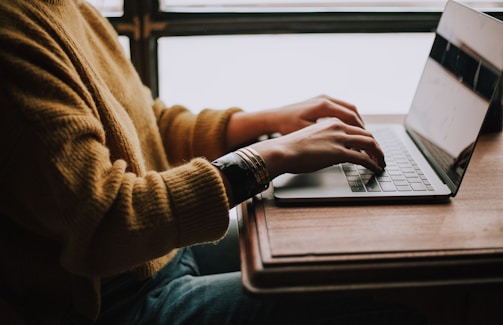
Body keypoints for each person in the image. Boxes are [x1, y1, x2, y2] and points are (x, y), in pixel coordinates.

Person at [0, 1, 425, 324]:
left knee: (349, 253)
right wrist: (268, 157)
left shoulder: (68, 8)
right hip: (113, 300)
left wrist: (267, 120)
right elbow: (109, 219)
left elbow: (148, 123)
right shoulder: (14, 34)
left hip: (160, 252)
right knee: (368, 300)